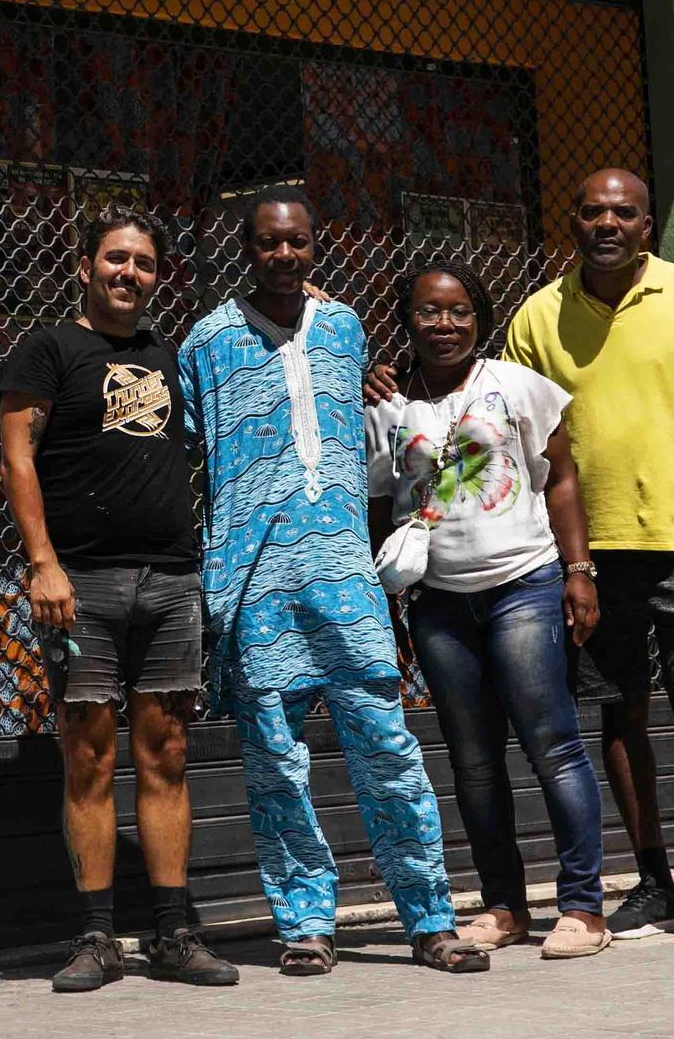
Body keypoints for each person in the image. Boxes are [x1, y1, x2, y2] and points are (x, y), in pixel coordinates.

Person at [179, 185, 483, 978]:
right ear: (245, 248)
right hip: (253, 584)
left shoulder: (344, 328)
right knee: (275, 763)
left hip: (345, 574)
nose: (284, 255)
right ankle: (307, 922)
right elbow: (178, 444)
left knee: (387, 747)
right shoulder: (205, 342)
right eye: (268, 243)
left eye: (298, 243)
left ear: (317, 248)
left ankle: (430, 917)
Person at [501, 168, 674, 953]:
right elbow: (511, 429)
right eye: (593, 212)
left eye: (624, 213)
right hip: (588, 551)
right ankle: (655, 880)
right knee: (616, 710)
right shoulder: (536, 317)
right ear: (573, 222)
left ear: (647, 225)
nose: (608, 224)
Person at [0, 205, 240, 993]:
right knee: (89, 756)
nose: (127, 272)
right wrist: (43, 563)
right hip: (83, 586)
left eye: (141, 262)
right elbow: (16, 456)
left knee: (166, 753)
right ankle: (97, 935)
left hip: (171, 581)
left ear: (156, 276)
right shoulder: (48, 349)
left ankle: (173, 931)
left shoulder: (167, 356)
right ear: (85, 266)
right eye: (114, 259)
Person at [367, 260, 609, 961]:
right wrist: (388, 595)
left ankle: (583, 907)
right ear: (407, 319)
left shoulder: (516, 385)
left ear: (480, 316)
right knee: (473, 762)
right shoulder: (386, 406)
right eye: (428, 312)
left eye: (458, 312)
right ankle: (504, 905)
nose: (444, 325)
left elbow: (562, 479)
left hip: (523, 585)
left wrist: (579, 571)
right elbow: (385, 500)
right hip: (439, 602)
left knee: (552, 745)